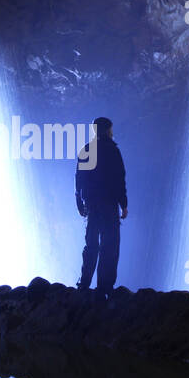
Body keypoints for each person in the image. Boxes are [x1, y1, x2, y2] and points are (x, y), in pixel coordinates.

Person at [75, 115, 127, 301]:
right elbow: (119, 178)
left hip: (92, 204)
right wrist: (124, 204)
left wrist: (79, 201)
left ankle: (84, 283)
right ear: (107, 130)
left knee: (91, 244)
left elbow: (79, 177)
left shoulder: (87, 150)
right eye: (111, 129)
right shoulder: (112, 151)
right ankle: (104, 286)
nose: (112, 133)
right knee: (110, 245)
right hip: (108, 204)